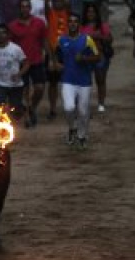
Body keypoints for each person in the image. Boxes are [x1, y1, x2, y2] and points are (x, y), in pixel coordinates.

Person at [56, 13, 101, 150]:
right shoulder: (61, 40)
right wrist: (55, 63)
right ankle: (72, 128)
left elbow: (98, 56)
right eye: (70, 21)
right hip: (67, 80)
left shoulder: (87, 40)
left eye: (75, 21)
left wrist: (85, 59)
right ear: (67, 24)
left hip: (84, 82)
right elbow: (56, 55)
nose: (73, 23)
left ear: (79, 24)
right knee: (68, 107)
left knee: (82, 111)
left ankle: (82, 136)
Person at [9, 0, 48, 128]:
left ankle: (32, 107)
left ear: (30, 8)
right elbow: (10, 45)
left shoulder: (39, 23)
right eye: (22, 7)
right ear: (19, 9)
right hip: (21, 62)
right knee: (24, 91)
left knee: (40, 88)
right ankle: (27, 118)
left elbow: (44, 40)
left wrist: (49, 56)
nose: (24, 9)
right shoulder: (13, 26)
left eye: (27, 7)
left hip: (36, 60)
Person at [81, 2, 113, 113]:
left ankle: (101, 103)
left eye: (93, 12)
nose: (91, 14)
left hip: (100, 55)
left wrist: (98, 36)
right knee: (85, 81)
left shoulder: (103, 25)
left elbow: (110, 39)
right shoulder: (81, 26)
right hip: (86, 56)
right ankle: (85, 103)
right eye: (88, 12)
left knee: (100, 80)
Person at [46, 0, 71, 120]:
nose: (58, 2)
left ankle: (71, 107)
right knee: (53, 83)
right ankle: (53, 109)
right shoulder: (50, 13)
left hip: (66, 50)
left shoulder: (68, 13)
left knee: (69, 81)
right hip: (53, 50)